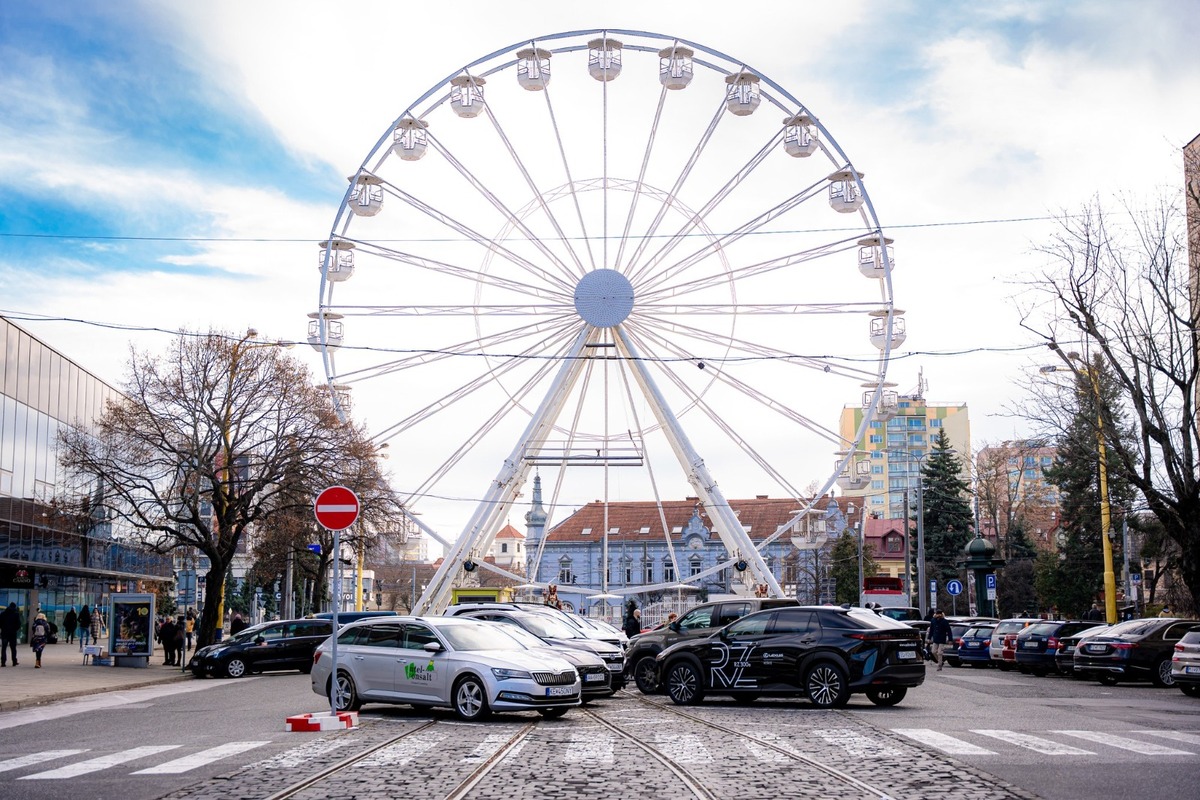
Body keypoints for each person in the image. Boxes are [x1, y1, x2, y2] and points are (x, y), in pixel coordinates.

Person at [0, 602, 20, 667]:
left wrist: (3, 628)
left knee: (4, 648)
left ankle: (3, 662)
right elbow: (18, 624)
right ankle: (14, 661)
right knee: (13, 648)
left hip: (4, 633)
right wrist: (15, 629)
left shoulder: (3, 614)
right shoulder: (16, 614)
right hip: (12, 634)